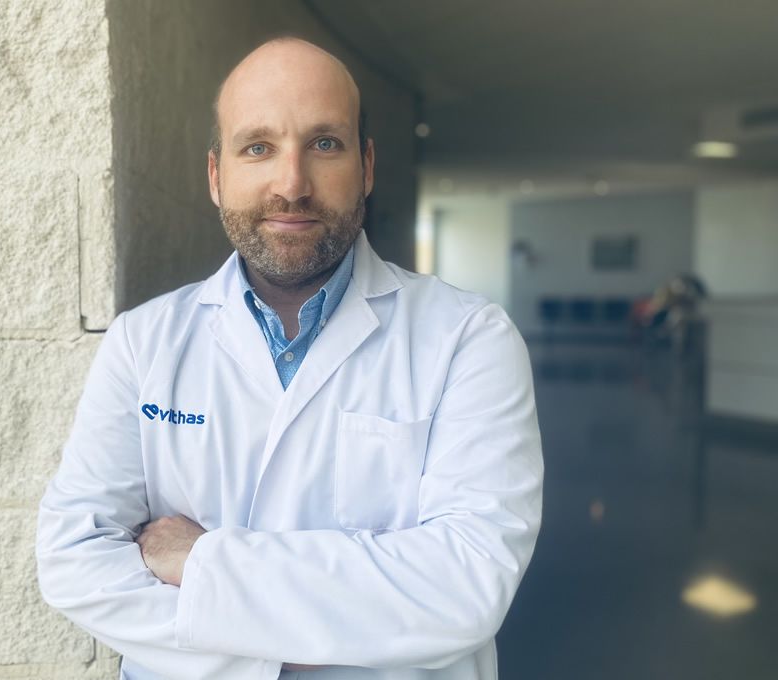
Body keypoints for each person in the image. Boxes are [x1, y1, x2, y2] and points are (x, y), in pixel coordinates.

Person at [36, 37, 543, 680]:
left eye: (324, 143)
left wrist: (203, 564)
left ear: (366, 166)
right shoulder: (143, 342)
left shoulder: (469, 338)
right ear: (216, 177)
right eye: (258, 147)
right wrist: (338, 629)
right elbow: (75, 561)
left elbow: (465, 589)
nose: (292, 184)